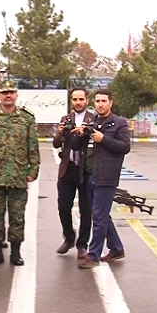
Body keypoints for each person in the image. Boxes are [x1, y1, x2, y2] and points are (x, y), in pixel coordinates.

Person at [0, 79, 39, 266]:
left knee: (17, 217)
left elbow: (33, 146)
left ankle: (15, 253)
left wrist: (33, 169)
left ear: (16, 95)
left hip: (18, 175)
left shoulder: (27, 118)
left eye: (11, 92)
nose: (8, 95)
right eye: (4, 92)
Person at [77, 89, 130, 269]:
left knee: (99, 216)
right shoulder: (91, 121)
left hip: (107, 175)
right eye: (98, 101)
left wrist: (103, 139)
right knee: (101, 215)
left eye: (103, 101)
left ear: (110, 103)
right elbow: (77, 146)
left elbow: (125, 147)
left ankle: (93, 256)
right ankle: (116, 248)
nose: (100, 104)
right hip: (89, 173)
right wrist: (80, 134)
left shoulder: (119, 123)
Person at [52, 88, 94, 259]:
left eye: (81, 99)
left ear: (87, 100)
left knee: (86, 210)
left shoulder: (93, 118)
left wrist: (85, 132)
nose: (77, 102)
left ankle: (82, 244)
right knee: (63, 206)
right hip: (67, 169)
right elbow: (56, 144)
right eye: (75, 99)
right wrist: (60, 132)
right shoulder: (66, 118)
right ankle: (69, 237)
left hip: (85, 170)